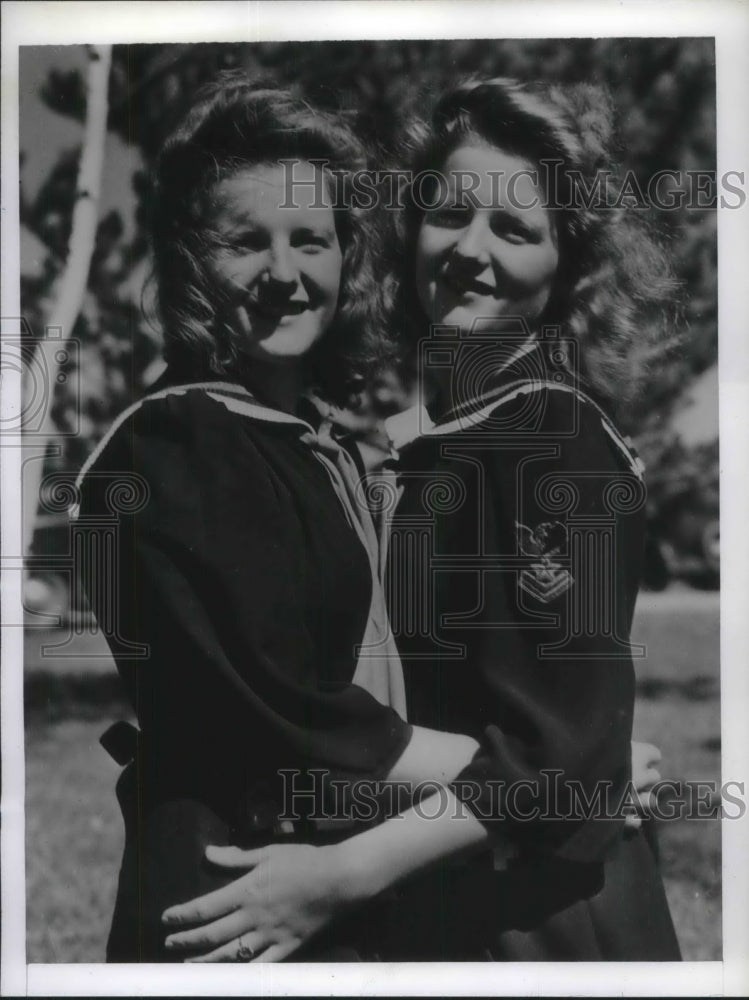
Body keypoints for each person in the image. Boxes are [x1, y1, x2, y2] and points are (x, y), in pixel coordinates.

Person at [161, 77, 680, 962]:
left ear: (567, 267)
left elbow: (557, 759)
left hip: (545, 923)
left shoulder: (550, 438)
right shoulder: (437, 446)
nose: (469, 251)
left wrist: (338, 878)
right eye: (449, 215)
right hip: (446, 900)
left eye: (514, 230)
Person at [76, 74, 484, 963]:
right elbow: (284, 708)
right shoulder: (176, 444)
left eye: (312, 239)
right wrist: (524, 781)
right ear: (189, 258)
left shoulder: (311, 443)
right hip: (234, 894)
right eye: (244, 242)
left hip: (340, 872)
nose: (286, 274)